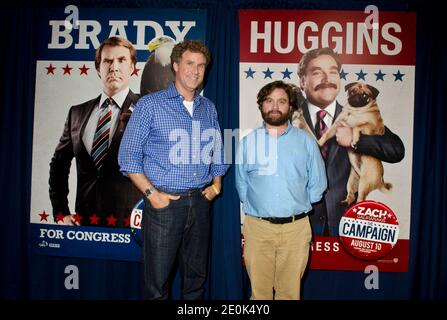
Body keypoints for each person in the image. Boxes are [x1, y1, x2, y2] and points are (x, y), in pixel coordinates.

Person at [118, 40, 229, 300]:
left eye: (201, 65)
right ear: (176, 66)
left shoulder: (208, 108)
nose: (196, 70)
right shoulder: (150, 105)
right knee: (157, 286)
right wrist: (152, 195)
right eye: (190, 63)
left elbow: (219, 152)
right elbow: (127, 157)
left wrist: (216, 186)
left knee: (196, 282)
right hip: (164, 206)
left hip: (201, 203)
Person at [294, 47, 405, 236]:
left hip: (346, 223)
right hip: (299, 223)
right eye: (317, 73)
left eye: (333, 72)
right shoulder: (286, 114)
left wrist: (356, 139)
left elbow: (396, 150)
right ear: (303, 80)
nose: (326, 79)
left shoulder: (360, 113)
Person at [236, 80, 327, 300]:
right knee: (259, 295)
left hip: (296, 230)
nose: (275, 106)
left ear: (291, 107)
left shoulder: (306, 142)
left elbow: (318, 184)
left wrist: (294, 203)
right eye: (269, 101)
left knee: (289, 294)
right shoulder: (248, 142)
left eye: (282, 101)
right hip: (258, 229)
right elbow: (241, 184)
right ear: (261, 105)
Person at [48, 36, 141, 228]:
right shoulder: (77, 113)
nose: (114, 67)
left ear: (132, 67)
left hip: (132, 225)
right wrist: (61, 213)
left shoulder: (147, 108)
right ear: (98, 68)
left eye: (121, 60)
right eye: (107, 61)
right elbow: (59, 164)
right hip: (86, 224)